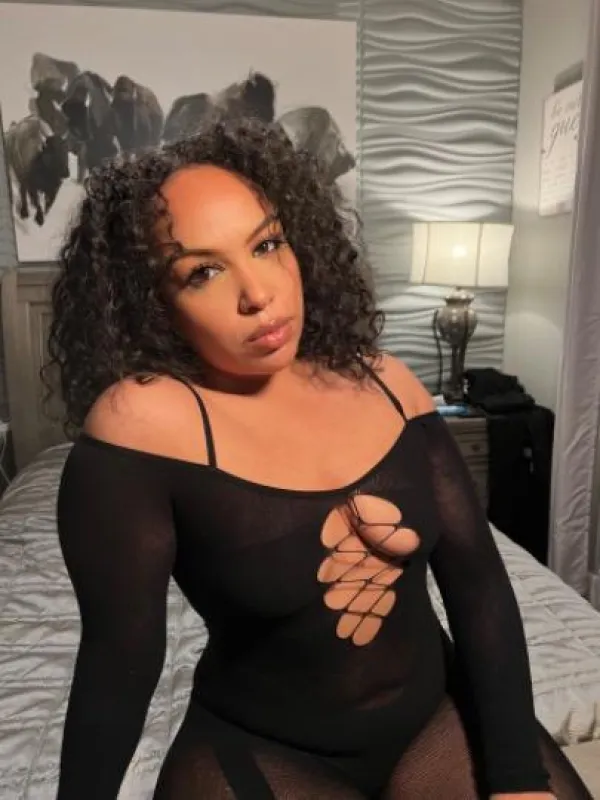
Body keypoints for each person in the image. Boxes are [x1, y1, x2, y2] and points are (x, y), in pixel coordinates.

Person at [47, 118, 591, 800]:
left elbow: (479, 584)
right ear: (152, 302)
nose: (259, 294)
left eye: (267, 244)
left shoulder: (386, 383)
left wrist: (517, 778)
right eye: (202, 272)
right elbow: (117, 659)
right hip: (265, 753)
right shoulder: (146, 421)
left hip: (436, 720)